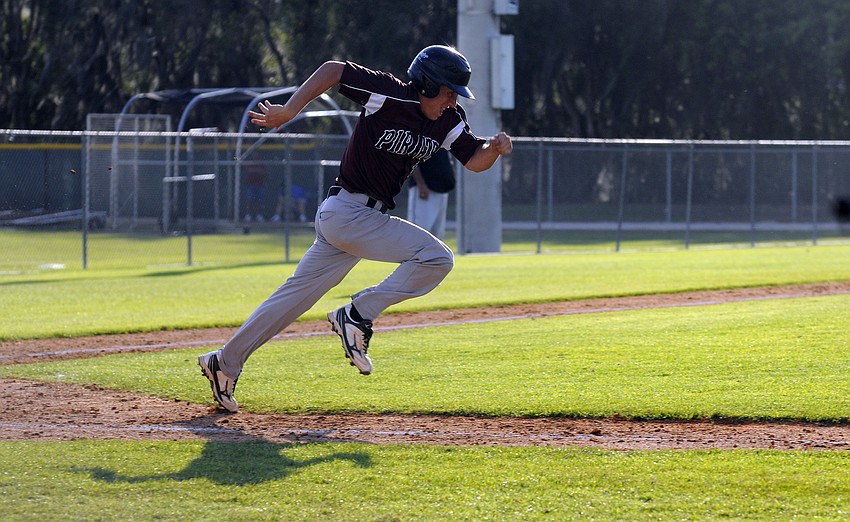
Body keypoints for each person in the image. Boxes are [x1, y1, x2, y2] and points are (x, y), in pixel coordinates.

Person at [198, 45, 513, 412]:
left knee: (290, 301)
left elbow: (474, 160)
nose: (452, 99)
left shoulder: (448, 119)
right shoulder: (389, 93)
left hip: (353, 223)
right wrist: (289, 110)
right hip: (348, 213)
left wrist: (493, 147)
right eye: (448, 91)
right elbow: (333, 69)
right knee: (436, 258)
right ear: (427, 84)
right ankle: (357, 313)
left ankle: (224, 363)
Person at [407, 147, 455, 239]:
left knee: (437, 238)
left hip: (441, 189)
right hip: (424, 190)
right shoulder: (420, 133)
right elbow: (410, 158)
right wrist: (421, 184)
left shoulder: (442, 134)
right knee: (418, 234)